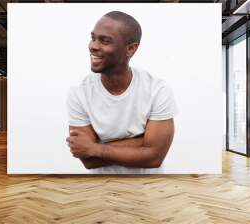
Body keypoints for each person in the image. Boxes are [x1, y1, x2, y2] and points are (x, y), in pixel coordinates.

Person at [66, 11, 177, 174]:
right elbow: (88, 160)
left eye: (104, 40)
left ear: (131, 49)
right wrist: (142, 144)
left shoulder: (157, 90)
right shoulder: (79, 92)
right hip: (101, 189)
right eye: (93, 38)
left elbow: (155, 157)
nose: (93, 46)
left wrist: (95, 148)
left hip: (149, 188)